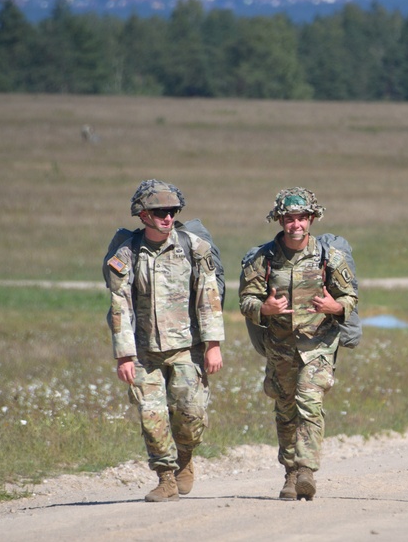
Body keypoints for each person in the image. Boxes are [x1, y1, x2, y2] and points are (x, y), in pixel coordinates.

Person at [104, 179, 224, 502]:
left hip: (187, 348)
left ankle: (185, 456)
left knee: (190, 414)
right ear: (143, 215)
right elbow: (120, 305)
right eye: (159, 212)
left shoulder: (194, 248)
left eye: (172, 211)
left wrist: (213, 344)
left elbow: (208, 297)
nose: (167, 218)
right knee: (152, 416)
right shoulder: (126, 255)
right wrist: (124, 355)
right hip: (145, 352)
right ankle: (166, 477)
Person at [238, 187, 357, 501]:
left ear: (312, 219)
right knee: (285, 410)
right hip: (280, 346)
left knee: (309, 403)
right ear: (280, 220)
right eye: (289, 218)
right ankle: (290, 474)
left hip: (318, 345)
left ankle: (306, 470)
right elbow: (246, 300)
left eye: (302, 218)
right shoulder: (263, 259)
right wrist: (264, 309)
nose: (296, 225)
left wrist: (336, 307)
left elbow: (350, 298)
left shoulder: (329, 257)